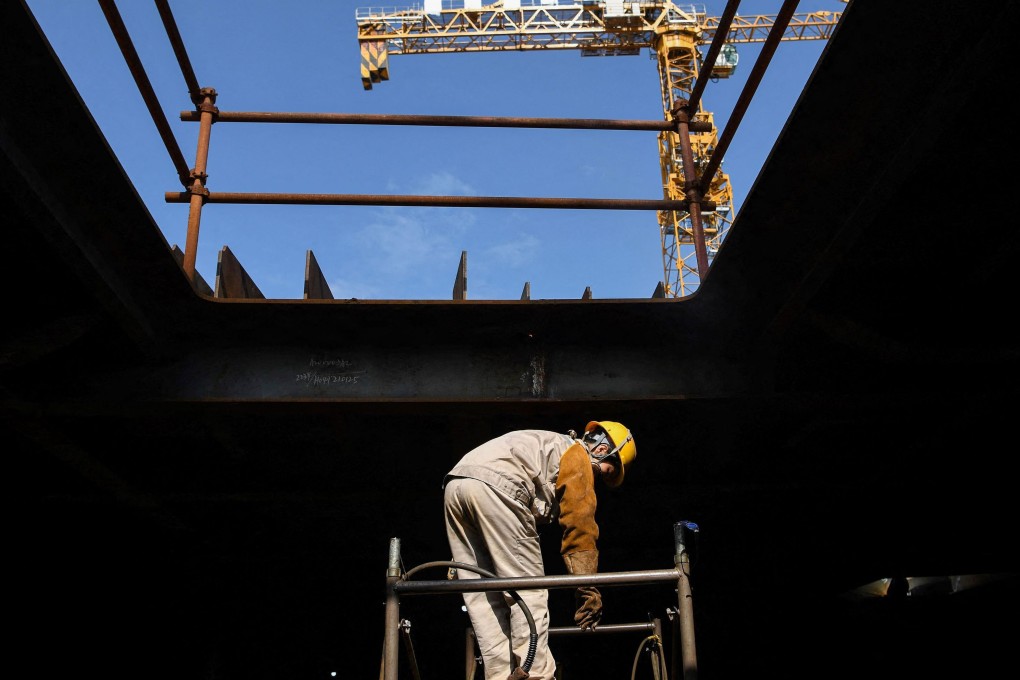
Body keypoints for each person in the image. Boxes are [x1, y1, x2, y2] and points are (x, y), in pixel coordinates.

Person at [442, 420, 637, 680]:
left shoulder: (549, 443)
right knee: (529, 590)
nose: (598, 479)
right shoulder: (578, 456)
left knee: (485, 597)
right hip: (501, 487)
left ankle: (499, 675)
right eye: (605, 472)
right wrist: (587, 587)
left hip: (457, 484)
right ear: (602, 450)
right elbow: (580, 526)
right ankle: (537, 675)